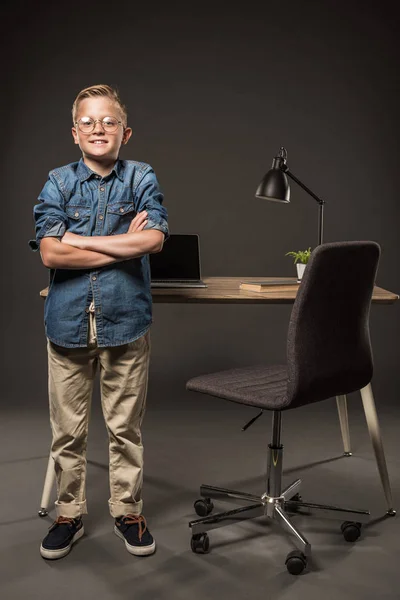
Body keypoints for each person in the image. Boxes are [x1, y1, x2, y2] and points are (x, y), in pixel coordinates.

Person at [30, 84, 168, 560]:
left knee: (124, 427)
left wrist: (81, 243)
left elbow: (152, 240)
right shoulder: (58, 182)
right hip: (66, 325)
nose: (98, 129)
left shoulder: (141, 177)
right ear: (75, 133)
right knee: (67, 432)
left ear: (124, 133)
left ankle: (127, 510)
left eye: (108, 122)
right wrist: (115, 244)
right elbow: (50, 250)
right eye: (88, 122)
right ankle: (69, 514)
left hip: (126, 321)